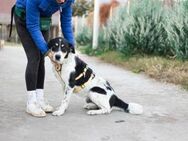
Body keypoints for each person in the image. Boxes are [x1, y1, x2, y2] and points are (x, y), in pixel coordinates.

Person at [13, 0, 75, 117]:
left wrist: (72, 49)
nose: (62, 1)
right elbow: (32, 26)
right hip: (25, 18)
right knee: (34, 57)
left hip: (43, 21)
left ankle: (39, 99)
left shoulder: (68, 1)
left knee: (41, 58)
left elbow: (66, 22)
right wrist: (48, 52)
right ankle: (31, 103)